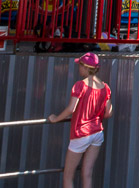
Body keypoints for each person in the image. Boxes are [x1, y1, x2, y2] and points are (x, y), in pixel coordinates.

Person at [47, 52, 111, 188]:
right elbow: (108, 113)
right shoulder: (105, 87)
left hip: (81, 133)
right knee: (87, 173)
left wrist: (55, 119)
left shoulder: (80, 85)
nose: (78, 68)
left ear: (86, 67)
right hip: (97, 133)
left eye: (80, 66)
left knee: (68, 176)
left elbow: (71, 109)